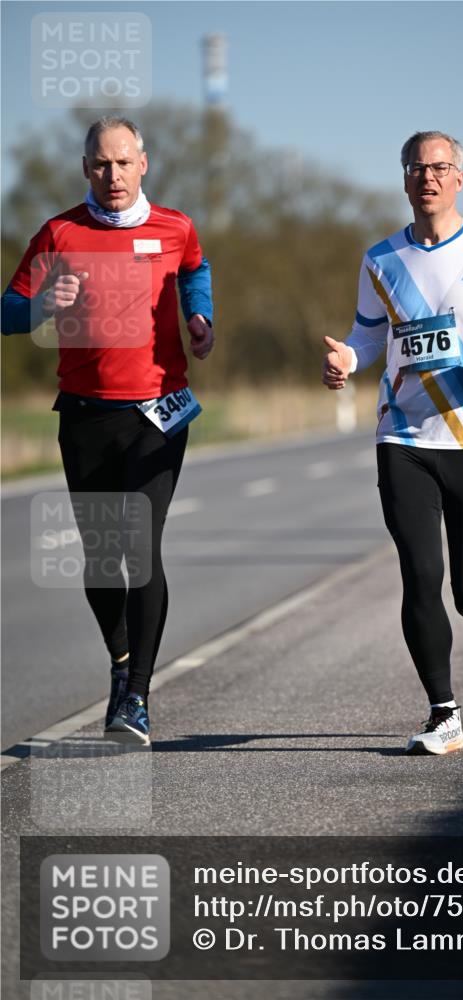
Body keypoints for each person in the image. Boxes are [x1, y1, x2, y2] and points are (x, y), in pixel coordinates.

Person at [322, 130, 463, 756]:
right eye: (416, 167)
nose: (427, 176)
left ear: (459, 177)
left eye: (440, 166)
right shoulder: (381, 259)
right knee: (420, 575)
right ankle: (442, 713)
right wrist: (348, 356)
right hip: (404, 437)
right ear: (403, 179)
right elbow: (369, 337)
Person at [1, 116, 214, 745]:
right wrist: (43, 304)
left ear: (143, 163)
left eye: (123, 163)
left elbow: (196, 268)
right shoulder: (59, 232)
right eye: (101, 164)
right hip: (86, 414)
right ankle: (122, 661)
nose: (113, 175)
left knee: (140, 546)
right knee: (101, 558)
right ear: (86, 168)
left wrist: (200, 315)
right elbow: (7, 311)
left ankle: (137, 699)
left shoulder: (174, 226)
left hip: (157, 411)